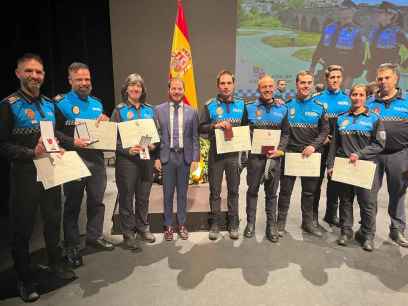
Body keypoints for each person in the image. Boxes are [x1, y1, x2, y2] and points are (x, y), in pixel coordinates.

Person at [0, 53, 75, 303]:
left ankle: (55, 264)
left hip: (52, 172)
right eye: (29, 71)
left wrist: (73, 142)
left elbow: (58, 134)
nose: (34, 76)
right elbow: (2, 144)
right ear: (18, 73)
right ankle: (25, 279)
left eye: (39, 72)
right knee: (22, 229)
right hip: (24, 177)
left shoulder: (49, 104)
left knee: (53, 220)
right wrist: (31, 152)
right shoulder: (9, 105)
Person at [54, 62, 114, 268]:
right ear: (70, 80)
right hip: (72, 159)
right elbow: (54, 133)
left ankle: (94, 236)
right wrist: (72, 142)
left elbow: (101, 131)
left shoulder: (97, 103)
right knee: (72, 204)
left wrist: (105, 122)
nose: (84, 83)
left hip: (96, 159)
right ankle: (71, 245)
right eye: (79, 79)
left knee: (97, 200)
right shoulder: (59, 103)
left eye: (87, 79)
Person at [327, 84, 385, 251]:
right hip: (344, 166)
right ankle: (346, 231)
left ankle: (367, 235)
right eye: (354, 94)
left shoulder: (374, 118)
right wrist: (330, 164)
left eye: (361, 94)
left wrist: (360, 154)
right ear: (350, 96)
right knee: (345, 200)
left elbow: (379, 144)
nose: (357, 97)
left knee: (367, 203)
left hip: (366, 167)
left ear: (366, 97)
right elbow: (334, 145)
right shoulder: (341, 118)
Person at [277, 70, 329, 238]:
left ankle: (307, 223)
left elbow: (325, 131)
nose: (306, 86)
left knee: (309, 192)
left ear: (312, 84)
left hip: (311, 156)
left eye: (309, 83)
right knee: (285, 191)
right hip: (290, 155)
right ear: (297, 84)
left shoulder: (320, 107)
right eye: (302, 83)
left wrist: (314, 146)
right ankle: (280, 224)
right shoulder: (286, 105)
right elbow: (283, 131)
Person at [199, 70, 248, 240]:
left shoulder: (242, 105)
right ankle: (215, 224)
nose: (226, 86)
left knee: (234, 190)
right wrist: (214, 126)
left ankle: (233, 223)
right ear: (218, 86)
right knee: (215, 191)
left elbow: (248, 128)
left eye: (229, 83)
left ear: (233, 85)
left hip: (234, 156)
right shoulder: (210, 105)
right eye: (222, 83)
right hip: (216, 156)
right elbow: (201, 128)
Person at [111, 73, 157, 250]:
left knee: (143, 196)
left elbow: (157, 134)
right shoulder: (119, 110)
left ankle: (143, 227)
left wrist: (153, 145)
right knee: (126, 197)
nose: (136, 88)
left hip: (146, 159)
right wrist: (127, 149)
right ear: (126, 89)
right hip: (127, 161)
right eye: (132, 85)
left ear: (142, 89)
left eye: (139, 85)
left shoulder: (149, 110)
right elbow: (112, 139)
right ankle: (128, 232)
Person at [154, 78, 200, 241]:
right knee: (167, 194)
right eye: (173, 88)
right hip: (167, 157)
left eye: (179, 89)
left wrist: (196, 158)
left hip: (184, 157)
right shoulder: (158, 110)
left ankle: (181, 224)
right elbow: (155, 137)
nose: (176, 91)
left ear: (184, 90)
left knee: (182, 193)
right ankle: (168, 226)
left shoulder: (192, 111)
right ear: (169, 90)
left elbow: (195, 137)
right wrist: (156, 158)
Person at [368, 63, 408, 248]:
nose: (383, 82)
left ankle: (397, 229)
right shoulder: (369, 103)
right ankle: (368, 229)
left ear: (396, 79)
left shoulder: (406, 101)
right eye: (380, 78)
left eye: (387, 78)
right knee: (369, 194)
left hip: (399, 154)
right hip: (373, 156)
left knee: (397, 193)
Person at [245, 75, 289, 242]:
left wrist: (281, 150)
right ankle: (250, 224)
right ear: (258, 88)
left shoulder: (282, 108)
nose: (268, 89)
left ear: (275, 89)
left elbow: (285, 133)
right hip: (255, 159)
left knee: (271, 194)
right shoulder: (249, 108)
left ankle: (271, 226)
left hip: (274, 159)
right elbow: (243, 130)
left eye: (271, 86)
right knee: (252, 191)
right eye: (264, 87)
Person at [312, 65, 351, 228]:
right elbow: (312, 124)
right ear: (326, 79)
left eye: (337, 77)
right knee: (315, 182)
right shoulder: (317, 98)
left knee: (335, 184)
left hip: (339, 150)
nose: (334, 80)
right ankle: (312, 216)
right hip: (321, 147)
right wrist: (322, 140)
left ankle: (330, 215)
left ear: (341, 79)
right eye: (331, 77)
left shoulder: (348, 100)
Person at [309, 0, 364, 88]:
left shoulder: (357, 31)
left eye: (344, 9)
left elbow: (359, 57)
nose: (341, 11)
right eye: (339, 9)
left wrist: (350, 77)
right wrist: (312, 66)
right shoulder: (329, 27)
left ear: (352, 11)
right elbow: (320, 47)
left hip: (344, 73)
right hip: (326, 69)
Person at [365, 1, 408, 82]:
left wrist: (404, 64)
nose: (377, 14)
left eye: (380, 12)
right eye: (377, 12)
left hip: (389, 72)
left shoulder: (397, 32)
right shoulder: (375, 30)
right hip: (374, 70)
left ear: (390, 15)